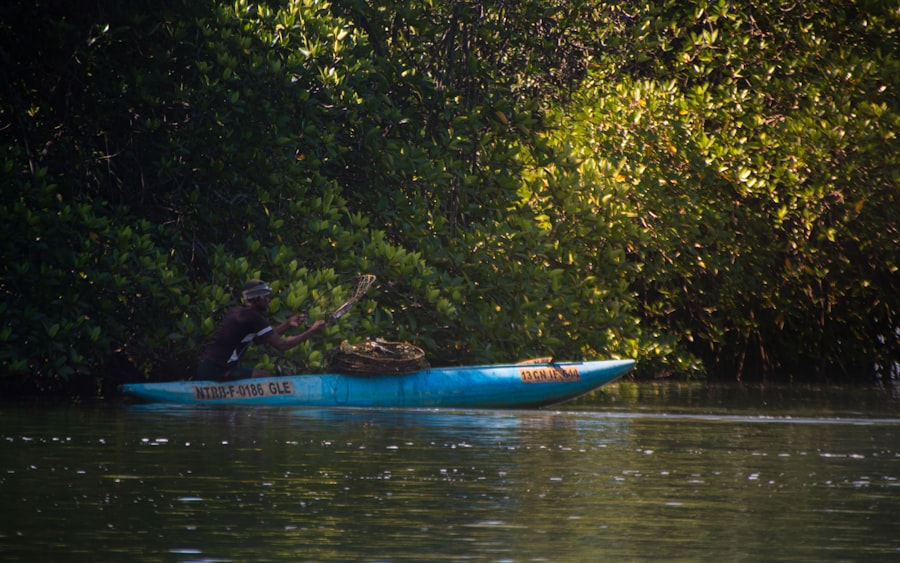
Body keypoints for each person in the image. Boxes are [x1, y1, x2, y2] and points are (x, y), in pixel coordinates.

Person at [197, 279, 326, 380]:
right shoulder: (253, 317)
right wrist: (312, 331)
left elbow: (259, 340)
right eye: (267, 297)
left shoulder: (238, 312)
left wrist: (287, 324)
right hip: (219, 370)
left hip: (207, 367)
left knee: (262, 374)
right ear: (258, 299)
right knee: (267, 377)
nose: (269, 300)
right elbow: (282, 345)